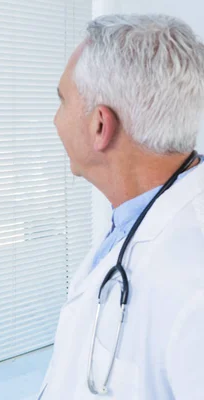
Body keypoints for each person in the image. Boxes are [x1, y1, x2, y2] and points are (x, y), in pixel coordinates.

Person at [39, 14, 204, 399]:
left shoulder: (192, 281)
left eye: (62, 101)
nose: (55, 120)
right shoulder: (138, 216)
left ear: (100, 126)